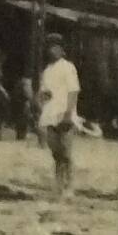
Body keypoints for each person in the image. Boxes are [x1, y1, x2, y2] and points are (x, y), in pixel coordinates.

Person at [38, 33, 81, 196]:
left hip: (64, 113)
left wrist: (69, 113)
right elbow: (43, 92)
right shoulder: (47, 70)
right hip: (50, 114)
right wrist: (42, 97)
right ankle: (58, 184)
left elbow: (73, 91)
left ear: (62, 49)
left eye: (56, 47)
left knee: (66, 152)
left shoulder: (68, 67)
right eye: (50, 47)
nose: (52, 50)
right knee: (55, 152)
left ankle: (69, 186)